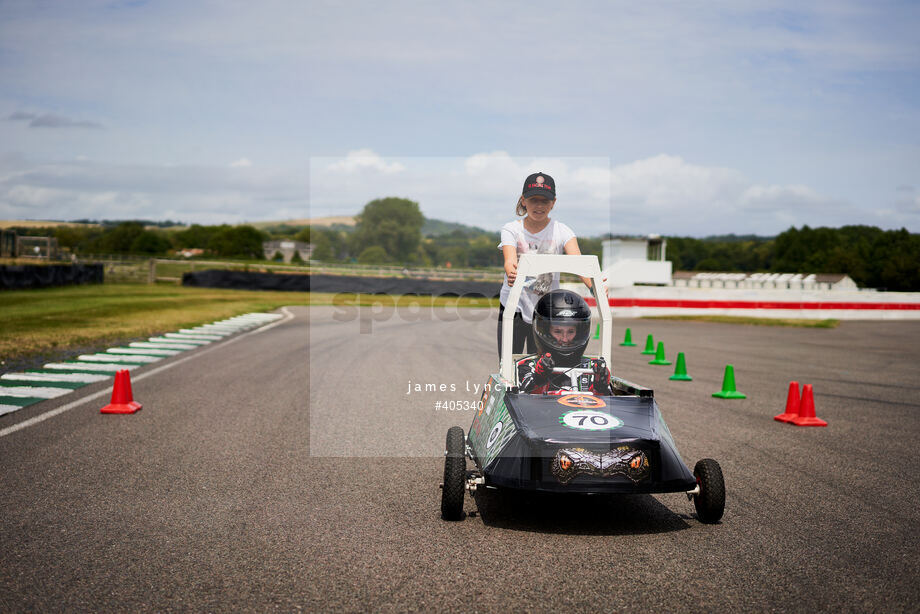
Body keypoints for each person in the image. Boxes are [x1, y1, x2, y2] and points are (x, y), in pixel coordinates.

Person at [497, 172, 595, 358]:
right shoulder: (512, 229)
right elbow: (510, 260)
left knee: (545, 367)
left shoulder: (562, 231)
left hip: (546, 310)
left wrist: (594, 287)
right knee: (508, 364)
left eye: (545, 201)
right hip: (513, 305)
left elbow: (579, 262)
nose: (539, 206)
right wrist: (512, 273)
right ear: (523, 200)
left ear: (553, 202)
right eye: (534, 200)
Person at [517, 289, 613, 395]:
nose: (564, 339)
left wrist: (601, 387)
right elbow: (522, 399)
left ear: (579, 332)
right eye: (558, 331)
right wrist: (539, 378)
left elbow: (606, 406)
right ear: (546, 332)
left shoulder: (593, 368)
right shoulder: (528, 366)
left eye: (570, 331)